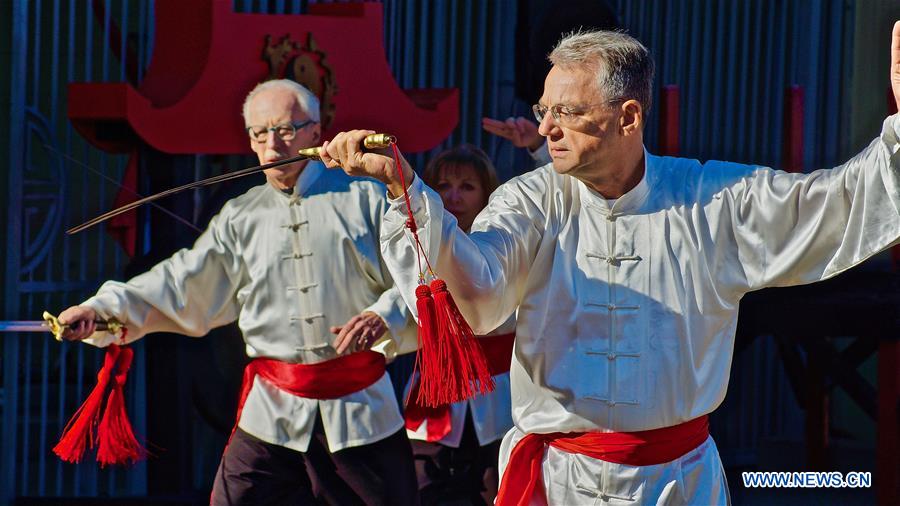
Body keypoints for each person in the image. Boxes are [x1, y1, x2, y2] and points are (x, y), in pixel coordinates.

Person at [321, 24, 900, 505]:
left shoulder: (712, 200)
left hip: (677, 484)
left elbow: (836, 206)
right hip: (558, 481)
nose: (546, 128)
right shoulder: (530, 201)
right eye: (544, 110)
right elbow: (478, 292)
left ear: (628, 117)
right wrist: (406, 190)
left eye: (568, 112)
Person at [58, 79, 419, 506]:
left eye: (286, 129)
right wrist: (101, 310)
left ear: (315, 131)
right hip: (271, 412)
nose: (272, 144)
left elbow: (419, 276)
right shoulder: (241, 215)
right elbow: (182, 282)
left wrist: (384, 315)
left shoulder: (367, 198)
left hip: (362, 412)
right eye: (259, 133)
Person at [403, 145, 513, 505]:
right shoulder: (417, 243)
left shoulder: (507, 243)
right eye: (444, 186)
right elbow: (399, 296)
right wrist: (376, 319)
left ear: (487, 193)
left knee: (495, 490)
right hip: (437, 389)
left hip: (498, 393)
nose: (453, 196)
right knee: (426, 490)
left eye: (467, 186)